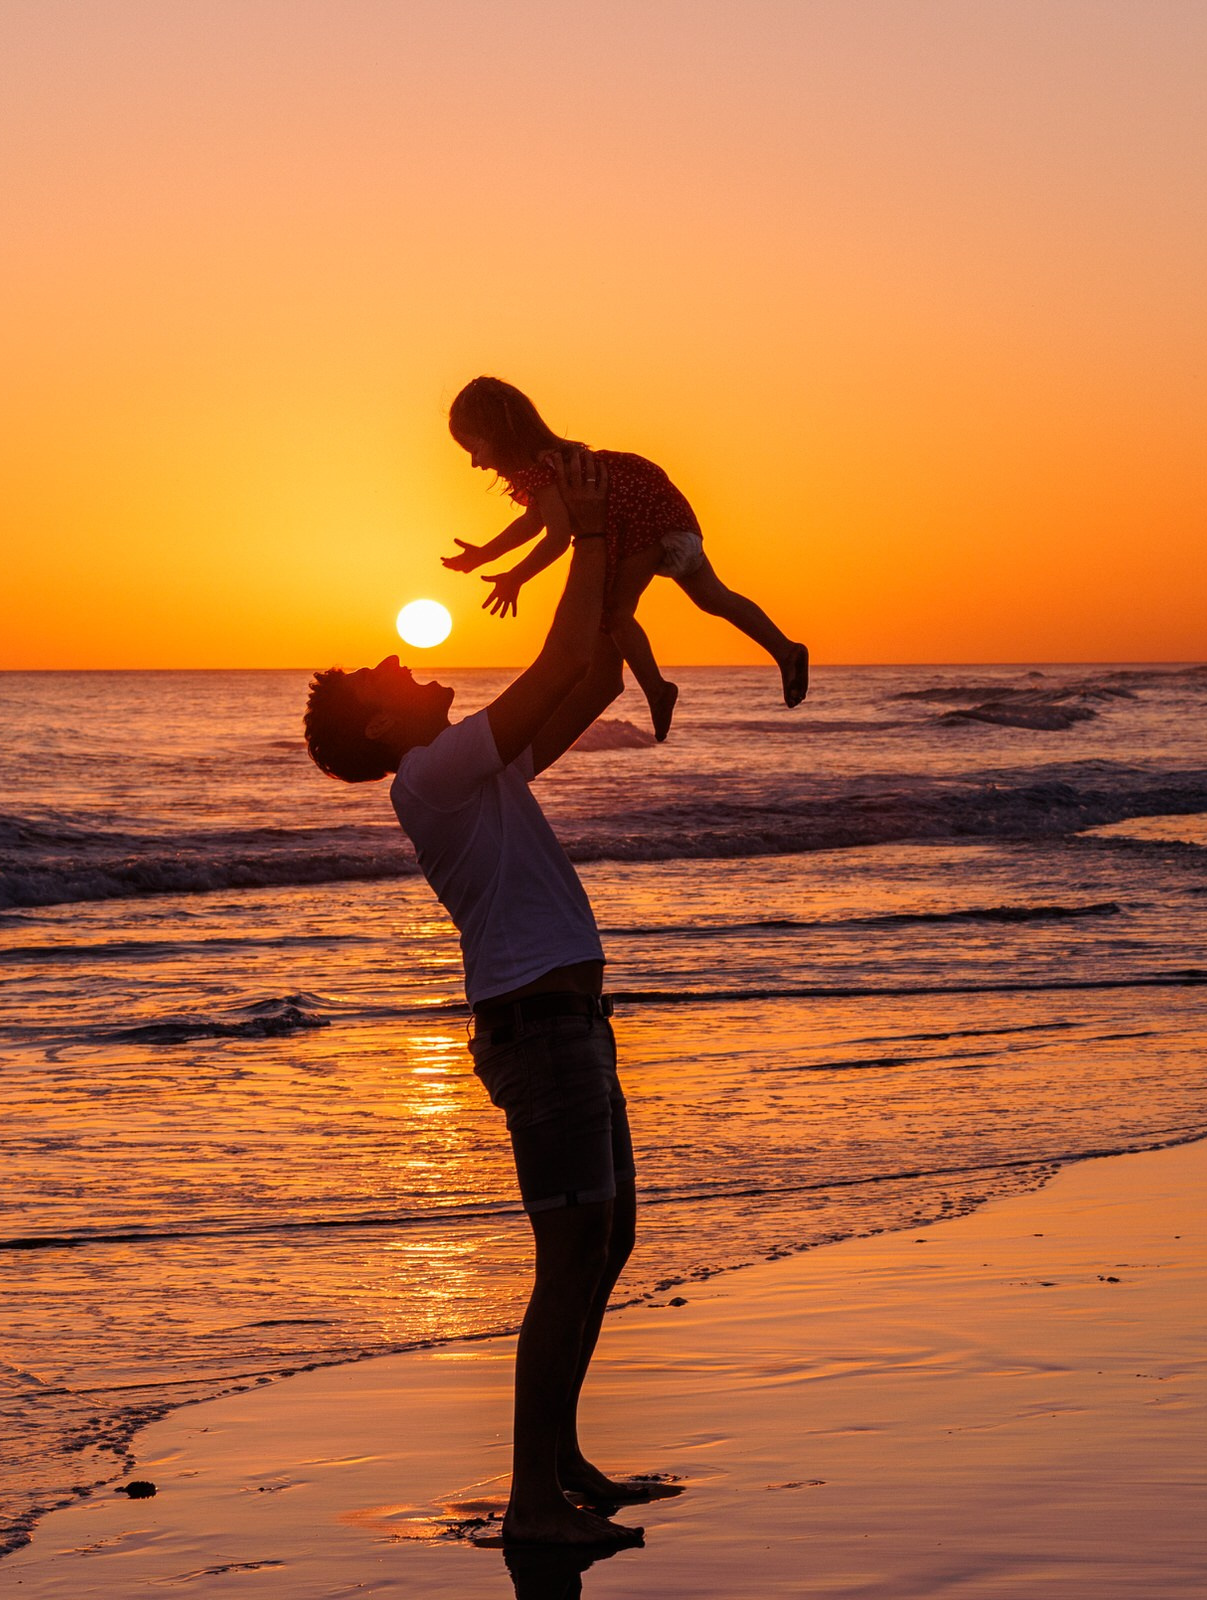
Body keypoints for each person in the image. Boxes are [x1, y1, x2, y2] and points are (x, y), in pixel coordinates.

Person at [303, 448, 669, 1548]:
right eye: (389, 677)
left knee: (608, 1242)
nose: (407, 666)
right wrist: (594, 533)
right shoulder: (435, 775)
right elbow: (556, 656)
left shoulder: (471, 770)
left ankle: (558, 1464)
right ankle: (528, 1507)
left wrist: (628, 577)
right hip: (539, 1032)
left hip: (569, 1027)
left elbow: (590, 676)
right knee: (570, 1259)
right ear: (381, 731)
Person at [441, 375, 808, 743]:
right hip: (666, 509)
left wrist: (516, 577)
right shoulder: (555, 461)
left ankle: (659, 690)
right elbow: (533, 522)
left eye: (475, 448)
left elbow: (554, 538)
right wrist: (483, 555)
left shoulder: (543, 470)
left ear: (500, 436)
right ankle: (785, 649)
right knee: (712, 596)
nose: (475, 463)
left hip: (639, 519)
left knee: (615, 613)